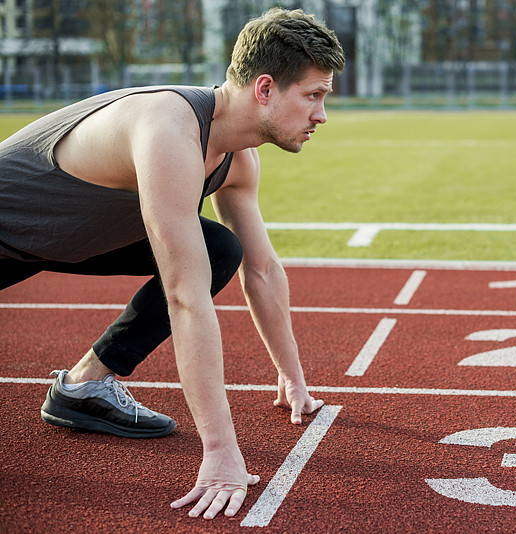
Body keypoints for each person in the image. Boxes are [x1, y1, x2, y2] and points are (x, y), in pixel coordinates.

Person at [0, 8, 345, 520]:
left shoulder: (238, 157)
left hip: (64, 239)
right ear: (266, 88)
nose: (322, 114)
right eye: (313, 95)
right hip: (11, 235)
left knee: (220, 249)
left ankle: (85, 386)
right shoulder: (169, 127)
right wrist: (221, 451)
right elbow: (186, 295)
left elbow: (263, 270)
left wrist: (292, 378)